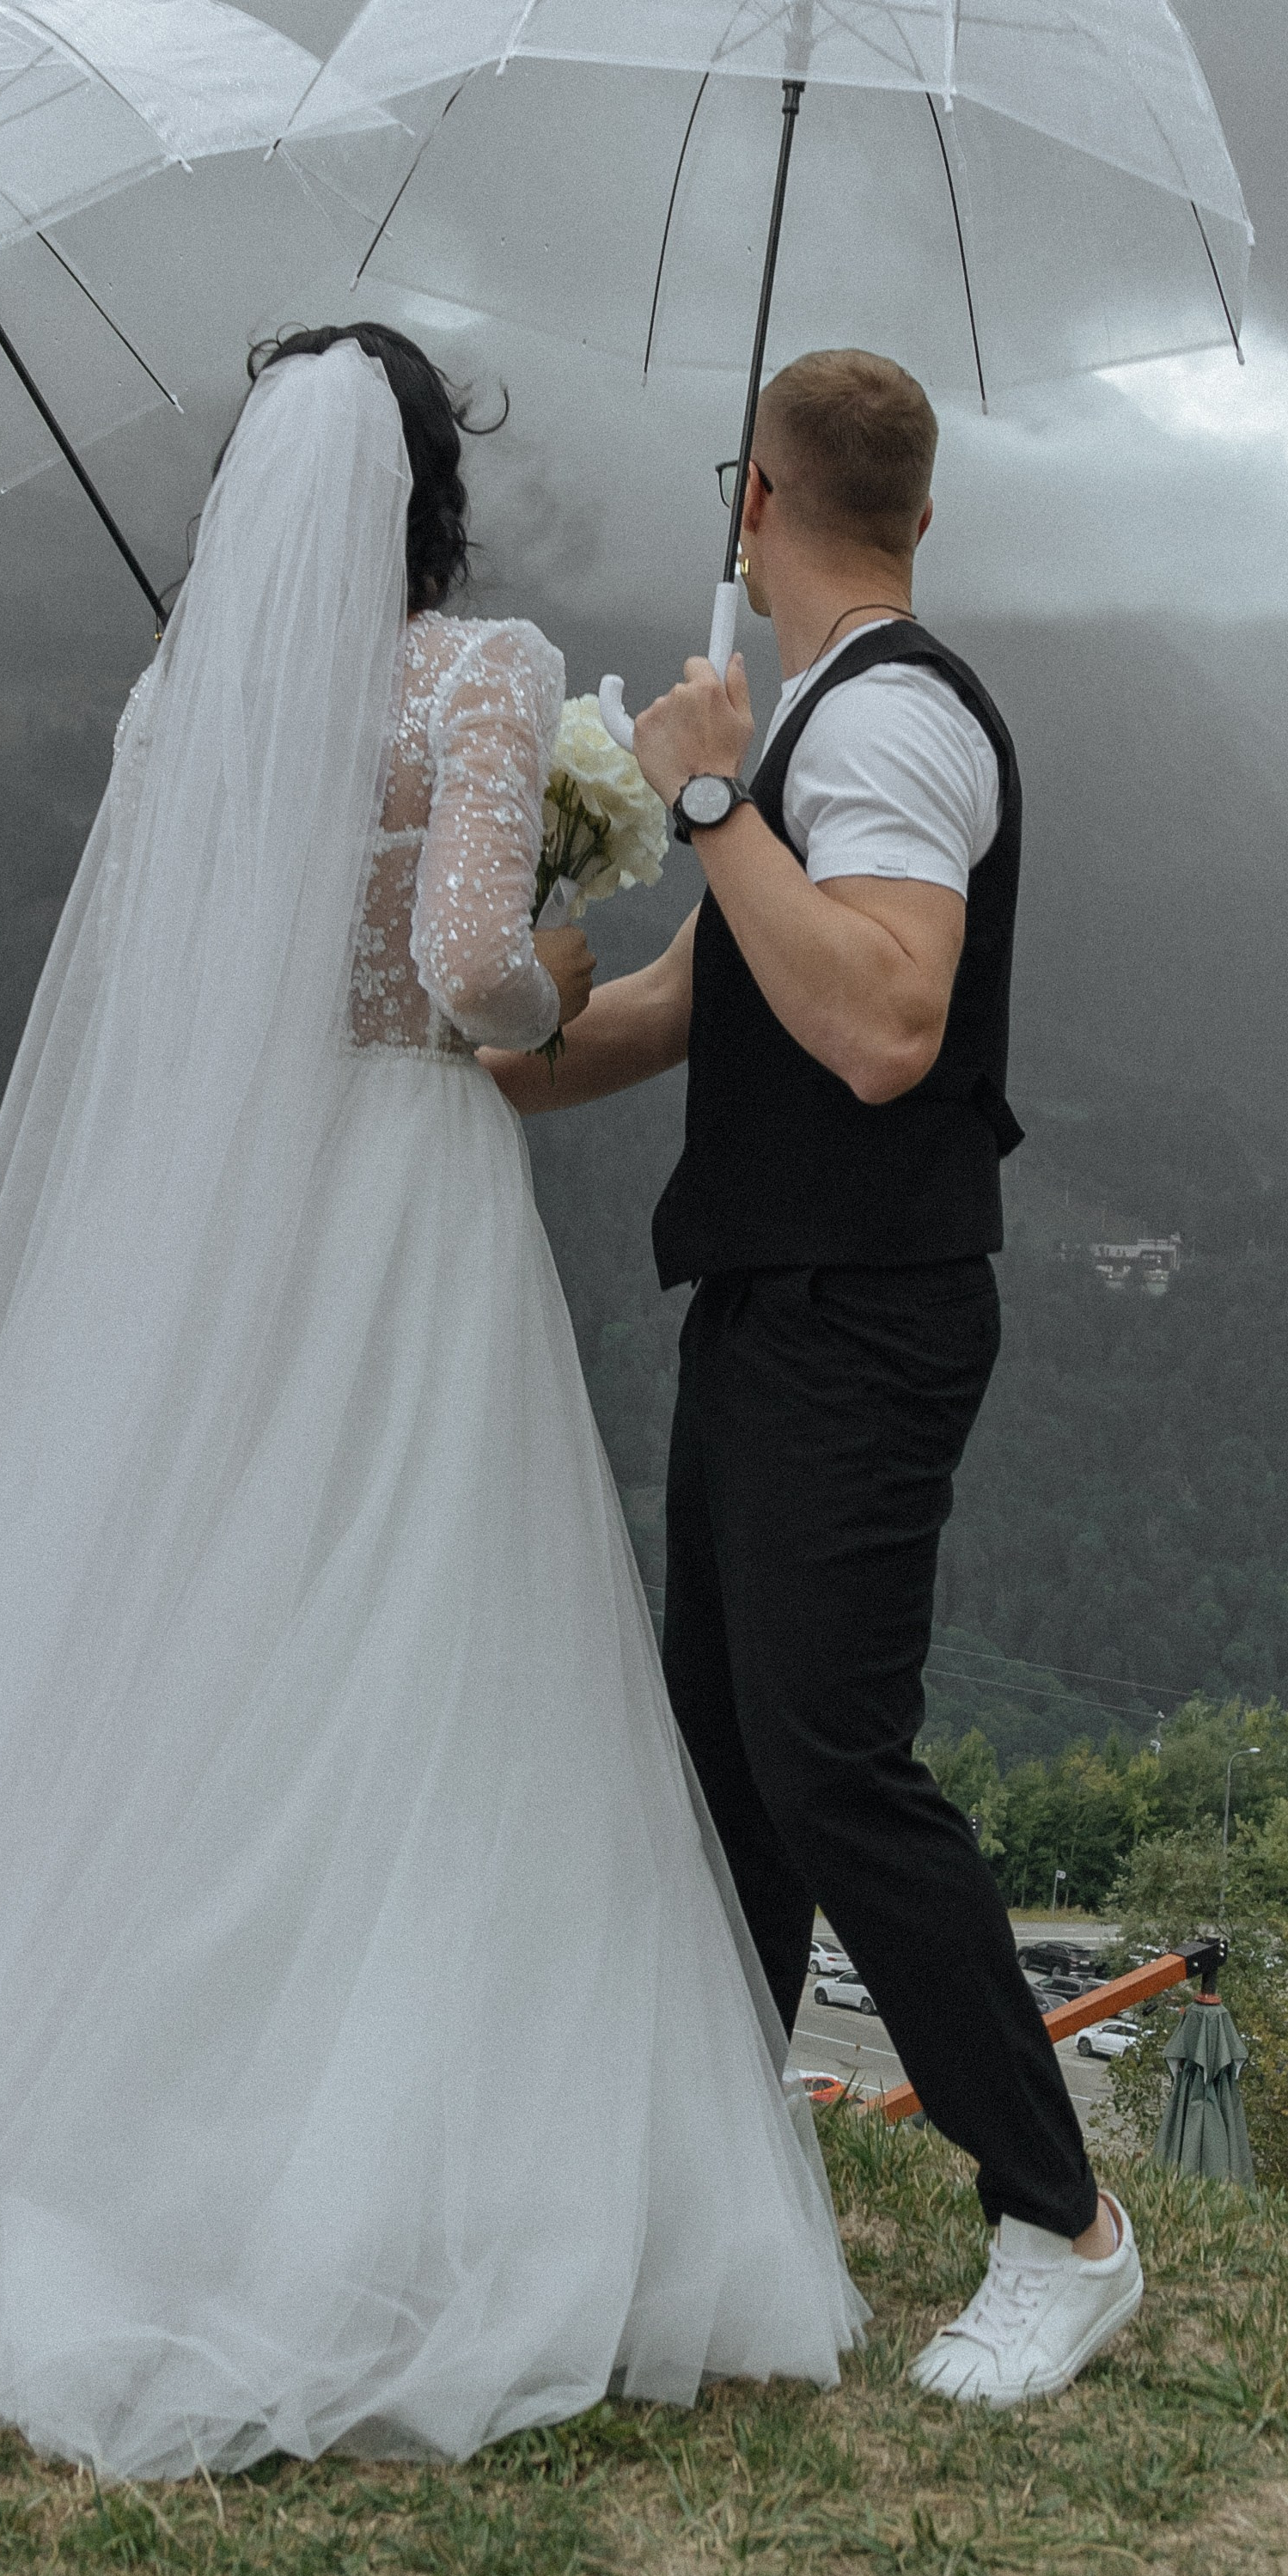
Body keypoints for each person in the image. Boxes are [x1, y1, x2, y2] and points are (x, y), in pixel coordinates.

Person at [0, 330, 861, 2473]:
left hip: (220, 1209)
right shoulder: (480, 678)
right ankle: (400, 2137)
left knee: (198, 1618)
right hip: (401, 1202)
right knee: (417, 1640)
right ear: (423, 500)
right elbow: (470, 973)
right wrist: (575, 949)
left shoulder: (176, 701)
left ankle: (139, 2097)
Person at [484, 349, 1142, 2409]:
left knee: (830, 1762)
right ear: (917, 510)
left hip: (864, 1318)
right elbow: (701, 998)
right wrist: (489, 1024)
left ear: (746, 501)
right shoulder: (817, 742)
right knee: (731, 1770)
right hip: (774, 1310)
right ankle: (713, 2183)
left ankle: (1062, 2222)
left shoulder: (897, 724)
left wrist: (697, 794)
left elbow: (882, 1023)